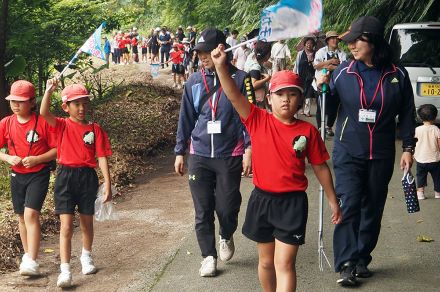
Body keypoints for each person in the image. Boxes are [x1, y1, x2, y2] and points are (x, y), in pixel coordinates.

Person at [211, 45, 342, 291]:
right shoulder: (257, 120)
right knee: (266, 262)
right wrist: (221, 67)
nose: (286, 99)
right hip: (262, 200)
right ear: (269, 98)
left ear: (300, 99)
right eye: (280, 94)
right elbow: (233, 95)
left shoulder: (308, 131)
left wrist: (333, 200)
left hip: (292, 203)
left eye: (292, 94)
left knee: (285, 263)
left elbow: (321, 168)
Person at [319, 16, 416, 286]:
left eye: (355, 40)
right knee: (349, 204)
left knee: (373, 207)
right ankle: (346, 263)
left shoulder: (398, 74)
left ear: (372, 41)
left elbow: (408, 113)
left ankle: (362, 257)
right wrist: (322, 89)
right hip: (348, 150)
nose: (350, 46)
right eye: (347, 42)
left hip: (382, 152)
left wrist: (408, 148)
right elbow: (326, 108)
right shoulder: (343, 72)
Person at [174, 28, 252, 277]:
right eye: (199, 52)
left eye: (207, 51)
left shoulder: (240, 79)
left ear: (222, 49)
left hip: (230, 152)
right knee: (203, 208)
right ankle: (208, 256)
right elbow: (185, 118)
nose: (203, 56)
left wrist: (249, 148)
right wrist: (180, 151)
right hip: (200, 153)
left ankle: (226, 234)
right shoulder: (194, 82)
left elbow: (249, 117)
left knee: (227, 206)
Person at [40, 81, 113, 288]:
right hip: (65, 177)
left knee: (87, 222)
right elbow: (44, 113)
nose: (81, 108)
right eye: (76, 104)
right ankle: (65, 270)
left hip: (87, 178)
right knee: (65, 226)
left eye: (84, 103)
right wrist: (48, 91)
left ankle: (86, 256)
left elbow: (102, 157)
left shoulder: (94, 128)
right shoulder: (62, 125)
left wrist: (107, 183)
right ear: (66, 107)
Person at [0, 80, 57, 276]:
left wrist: (37, 159)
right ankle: (28, 255)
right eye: (13, 101)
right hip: (17, 175)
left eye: (21, 101)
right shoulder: (6, 123)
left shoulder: (42, 121)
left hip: (38, 174)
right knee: (21, 217)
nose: (16, 105)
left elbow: (58, 149)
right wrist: (8, 157)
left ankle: (32, 260)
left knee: (30, 214)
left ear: (32, 102)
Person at [313, 31, 347, 136]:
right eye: (332, 38)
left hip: (337, 84)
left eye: (336, 38)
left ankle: (328, 126)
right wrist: (330, 62)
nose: (335, 40)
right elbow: (316, 66)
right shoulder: (321, 52)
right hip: (321, 83)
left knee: (334, 106)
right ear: (327, 41)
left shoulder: (342, 53)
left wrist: (333, 68)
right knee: (321, 106)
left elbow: (345, 68)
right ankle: (320, 127)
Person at [414, 104, 440, 200]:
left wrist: (413, 153)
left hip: (421, 159)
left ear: (420, 117)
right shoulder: (436, 130)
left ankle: (420, 193)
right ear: (435, 116)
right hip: (434, 159)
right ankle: (437, 193)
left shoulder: (417, 130)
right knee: (437, 177)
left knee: (420, 176)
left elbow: (414, 143)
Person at [244, 41, 272, 109]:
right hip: (256, 99)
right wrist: (267, 78)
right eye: (269, 53)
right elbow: (253, 85)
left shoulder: (252, 56)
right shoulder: (256, 67)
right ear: (267, 55)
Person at [294, 36, 317, 117]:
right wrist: (295, 74)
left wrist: (312, 62)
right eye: (307, 43)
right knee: (301, 93)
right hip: (301, 76)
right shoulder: (300, 54)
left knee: (309, 94)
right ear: (305, 44)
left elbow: (317, 65)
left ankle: (307, 111)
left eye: (311, 43)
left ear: (313, 45)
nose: (309, 45)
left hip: (311, 77)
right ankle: (301, 109)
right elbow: (296, 65)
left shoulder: (316, 54)